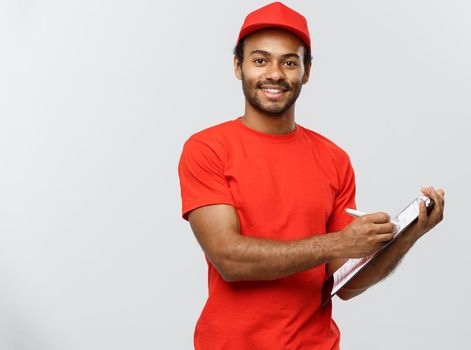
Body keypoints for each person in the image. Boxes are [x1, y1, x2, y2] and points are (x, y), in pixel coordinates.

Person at [177, 2, 446, 349]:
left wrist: (409, 235)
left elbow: (345, 284)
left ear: (306, 72)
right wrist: (341, 242)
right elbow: (229, 259)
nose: (275, 73)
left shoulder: (333, 159)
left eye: (290, 62)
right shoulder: (208, 148)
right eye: (260, 60)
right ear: (237, 66)